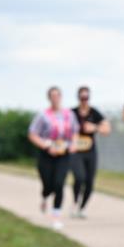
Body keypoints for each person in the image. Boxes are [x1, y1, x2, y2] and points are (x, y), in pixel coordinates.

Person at [28, 87, 79, 230]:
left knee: (59, 183)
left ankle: (56, 215)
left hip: (64, 153)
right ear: (49, 98)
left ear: (61, 97)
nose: (55, 98)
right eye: (53, 96)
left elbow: (75, 132)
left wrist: (74, 144)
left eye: (57, 95)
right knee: (48, 184)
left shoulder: (69, 115)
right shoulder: (43, 115)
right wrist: (45, 146)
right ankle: (45, 196)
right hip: (47, 153)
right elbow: (32, 134)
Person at [70, 86, 111, 218]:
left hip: (90, 151)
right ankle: (75, 201)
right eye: (82, 98)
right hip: (75, 151)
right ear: (78, 98)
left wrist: (95, 127)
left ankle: (82, 208)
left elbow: (106, 129)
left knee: (90, 182)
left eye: (86, 98)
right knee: (79, 177)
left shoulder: (94, 113)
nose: (84, 100)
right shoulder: (71, 113)